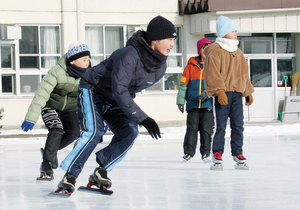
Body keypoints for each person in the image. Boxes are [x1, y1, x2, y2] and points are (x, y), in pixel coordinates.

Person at [56, 15, 177, 193]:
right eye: (169, 39)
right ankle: (70, 176)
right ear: (155, 39)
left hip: (115, 99)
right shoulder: (129, 54)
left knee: (130, 131)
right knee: (94, 132)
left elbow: (127, 91)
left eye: (174, 39)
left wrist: (137, 119)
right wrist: (144, 118)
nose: (172, 44)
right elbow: (120, 89)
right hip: (94, 90)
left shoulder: (161, 66)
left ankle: (101, 170)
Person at [21, 41, 91, 179]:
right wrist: (31, 118)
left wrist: (104, 121)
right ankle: (46, 165)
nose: (87, 63)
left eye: (88, 59)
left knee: (74, 133)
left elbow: (94, 99)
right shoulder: (56, 72)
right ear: (72, 61)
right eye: (84, 60)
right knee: (57, 129)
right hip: (50, 106)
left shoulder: (89, 75)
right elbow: (41, 94)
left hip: (70, 109)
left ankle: (50, 152)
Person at [203, 15, 254, 166]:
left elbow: (243, 73)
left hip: (237, 94)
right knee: (220, 126)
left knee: (238, 125)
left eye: (235, 30)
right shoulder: (215, 51)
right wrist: (219, 91)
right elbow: (212, 73)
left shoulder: (237, 52)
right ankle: (217, 152)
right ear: (223, 32)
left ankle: (238, 152)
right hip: (223, 95)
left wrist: (248, 91)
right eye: (232, 30)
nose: (235, 33)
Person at [176, 38, 214, 163]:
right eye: (204, 48)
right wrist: (180, 101)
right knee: (191, 130)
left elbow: (215, 85)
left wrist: (207, 93)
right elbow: (183, 86)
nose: (207, 51)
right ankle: (188, 153)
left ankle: (206, 153)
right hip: (192, 104)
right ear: (199, 51)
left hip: (207, 104)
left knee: (206, 130)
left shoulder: (213, 66)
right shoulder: (189, 67)